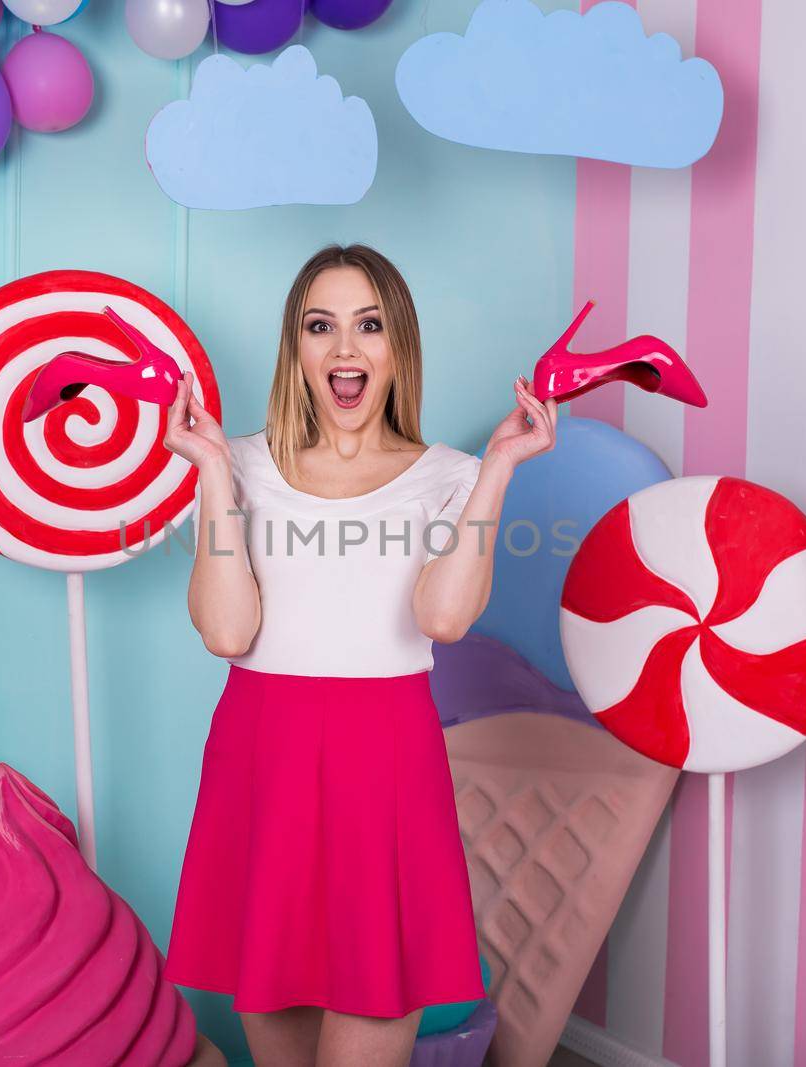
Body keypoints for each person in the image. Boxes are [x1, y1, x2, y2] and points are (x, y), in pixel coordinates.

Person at [161, 243, 556, 1066]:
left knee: (374, 1012)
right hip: (262, 762)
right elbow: (229, 634)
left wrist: (499, 468)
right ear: (297, 349)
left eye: (368, 325)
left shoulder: (448, 474)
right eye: (321, 326)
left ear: (396, 347)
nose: (345, 348)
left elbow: (443, 617)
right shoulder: (234, 461)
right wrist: (207, 471)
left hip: (385, 766)